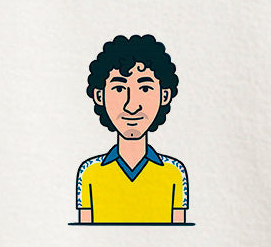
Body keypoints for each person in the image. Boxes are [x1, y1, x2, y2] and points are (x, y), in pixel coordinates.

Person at [76, 34, 189, 224]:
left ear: (164, 95)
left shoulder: (174, 173)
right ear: (99, 96)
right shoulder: (89, 173)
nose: (131, 106)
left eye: (144, 89)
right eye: (119, 89)